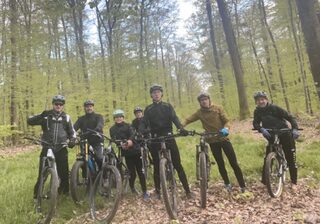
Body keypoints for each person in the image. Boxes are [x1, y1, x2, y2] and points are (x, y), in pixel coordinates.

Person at [182, 93, 246, 193]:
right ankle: (227, 184)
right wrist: (181, 126)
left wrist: (226, 128)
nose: (204, 101)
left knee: (233, 163)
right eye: (201, 100)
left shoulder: (218, 108)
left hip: (224, 139)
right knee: (220, 164)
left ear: (209, 100)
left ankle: (242, 185)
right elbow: (188, 119)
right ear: (200, 102)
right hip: (212, 141)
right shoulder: (199, 112)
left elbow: (227, 121)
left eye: (205, 99)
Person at [139, 84, 192, 199]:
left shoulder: (167, 106)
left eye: (158, 92)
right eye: (154, 93)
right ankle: (158, 192)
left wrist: (180, 128)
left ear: (161, 94)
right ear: (151, 95)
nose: (156, 94)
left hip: (168, 136)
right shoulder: (148, 109)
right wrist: (141, 131)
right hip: (155, 138)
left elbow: (174, 118)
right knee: (157, 166)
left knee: (178, 164)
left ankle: (187, 190)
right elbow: (143, 121)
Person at [27, 95, 76, 197]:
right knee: (42, 173)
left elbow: (72, 132)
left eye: (60, 104)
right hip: (47, 147)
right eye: (56, 104)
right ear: (53, 104)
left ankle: (64, 194)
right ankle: (37, 196)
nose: (58, 106)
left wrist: (72, 140)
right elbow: (30, 121)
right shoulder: (46, 116)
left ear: (63, 106)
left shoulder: (66, 117)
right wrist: (41, 115)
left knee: (64, 173)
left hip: (61, 147)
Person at [252, 91, 299, 188]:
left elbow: (290, 117)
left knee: (291, 158)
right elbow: (255, 123)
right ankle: (265, 182)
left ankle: (294, 182)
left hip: (284, 133)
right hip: (271, 135)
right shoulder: (257, 111)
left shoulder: (275, 108)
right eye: (258, 100)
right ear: (256, 102)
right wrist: (261, 129)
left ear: (266, 99)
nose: (261, 102)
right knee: (268, 158)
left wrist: (295, 129)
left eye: (262, 99)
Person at [109, 109, 149, 200]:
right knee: (132, 173)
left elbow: (133, 135)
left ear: (123, 118)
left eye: (120, 117)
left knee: (141, 172)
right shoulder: (112, 129)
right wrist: (120, 144)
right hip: (126, 154)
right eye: (116, 117)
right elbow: (114, 139)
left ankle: (145, 192)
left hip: (135, 151)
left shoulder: (129, 126)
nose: (118, 119)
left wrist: (129, 141)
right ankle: (132, 187)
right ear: (114, 119)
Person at [73, 100, 104, 169]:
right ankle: (87, 177)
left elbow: (100, 125)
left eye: (90, 106)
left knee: (99, 158)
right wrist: (71, 134)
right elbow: (73, 128)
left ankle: (103, 175)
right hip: (85, 142)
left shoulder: (98, 116)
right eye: (87, 107)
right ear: (84, 108)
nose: (89, 108)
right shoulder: (81, 119)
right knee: (83, 159)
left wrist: (97, 129)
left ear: (93, 107)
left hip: (97, 141)